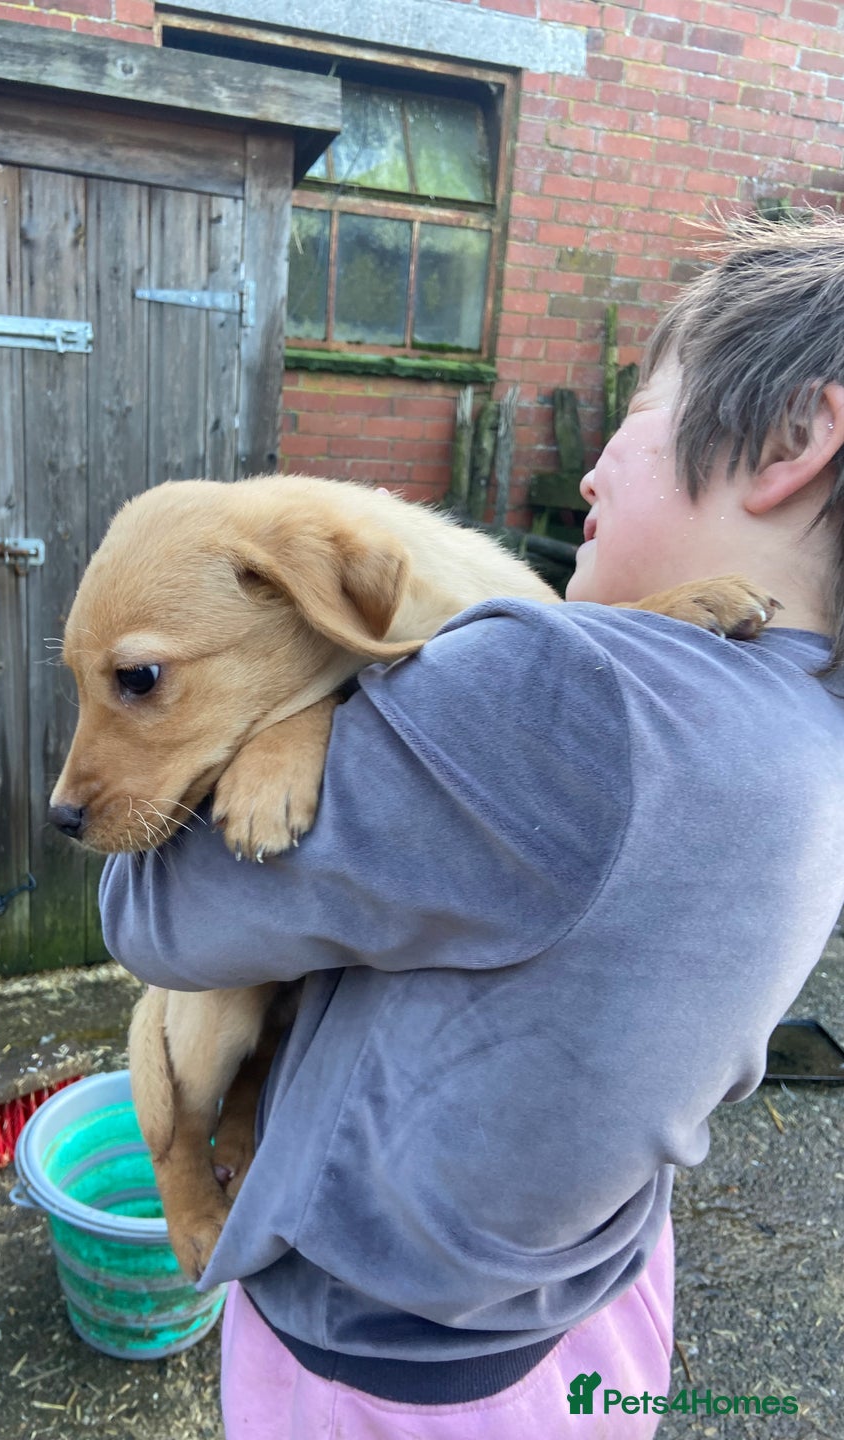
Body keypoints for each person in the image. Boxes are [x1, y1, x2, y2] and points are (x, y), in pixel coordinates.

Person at [99, 216, 844, 1438]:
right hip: (591, 1306)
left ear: (792, 442)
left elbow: (155, 917)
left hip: (384, 1365)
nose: (589, 473)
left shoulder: (559, 696)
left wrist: (290, 726)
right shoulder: (810, 731)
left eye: (635, 417)